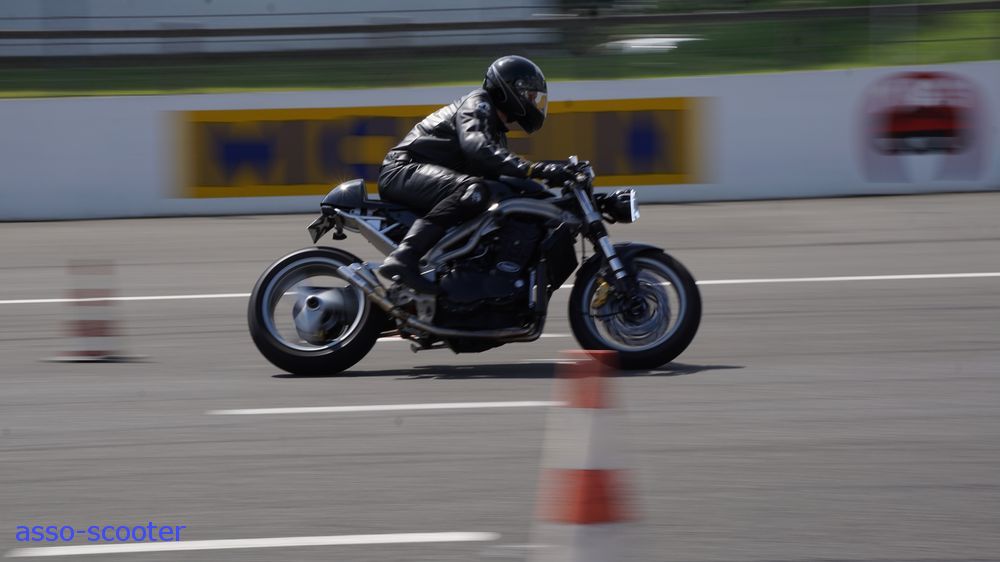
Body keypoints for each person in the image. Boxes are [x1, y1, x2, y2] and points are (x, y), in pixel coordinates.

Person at [376, 55, 576, 294]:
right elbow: (477, 146)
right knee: (473, 190)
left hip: (429, 178)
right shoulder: (478, 103)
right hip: (403, 170)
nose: (534, 103)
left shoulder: (496, 130)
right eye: (530, 96)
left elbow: (507, 176)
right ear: (509, 90)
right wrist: (534, 169)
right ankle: (403, 257)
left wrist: (554, 179)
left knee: (504, 197)